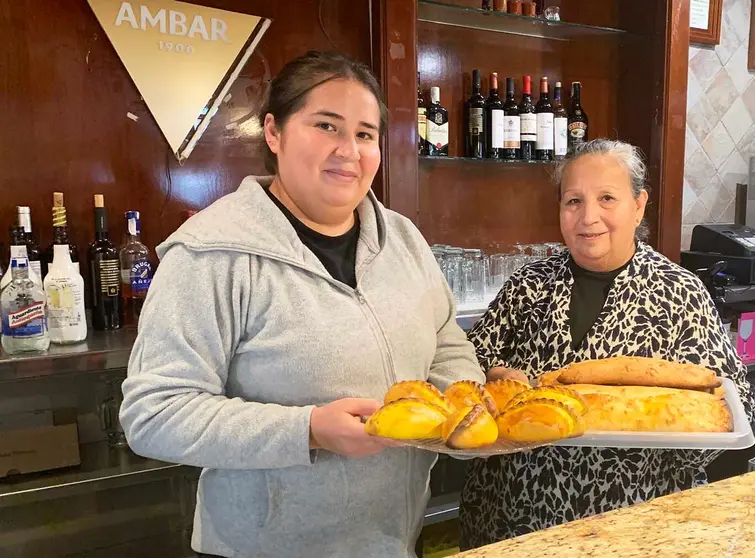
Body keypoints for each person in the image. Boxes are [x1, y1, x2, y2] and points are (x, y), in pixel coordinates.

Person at [119, 50, 484, 558]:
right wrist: (307, 431)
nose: (349, 151)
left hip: (392, 540)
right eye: (326, 126)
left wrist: (456, 405)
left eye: (364, 134)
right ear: (274, 133)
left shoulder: (403, 240)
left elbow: (446, 342)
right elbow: (153, 414)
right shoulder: (212, 252)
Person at [459, 138, 755, 549]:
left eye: (607, 199)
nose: (588, 217)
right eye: (573, 201)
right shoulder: (530, 284)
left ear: (639, 206)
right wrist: (494, 374)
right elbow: (466, 362)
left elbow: (732, 401)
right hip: (513, 518)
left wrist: (661, 430)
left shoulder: (678, 292)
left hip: (631, 522)